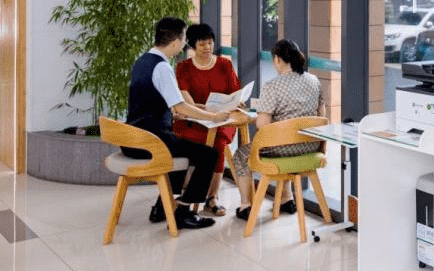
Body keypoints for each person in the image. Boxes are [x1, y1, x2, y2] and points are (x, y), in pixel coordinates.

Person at [123, 17, 232, 229]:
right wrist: (214, 117)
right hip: (150, 142)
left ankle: (162, 208)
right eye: (183, 40)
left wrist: (181, 111)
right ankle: (183, 213)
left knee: (179, 148)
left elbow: (155, 103)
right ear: (174, 42)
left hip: (133, 139)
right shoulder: (162, 67)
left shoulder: (143, 60)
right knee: (209, 155)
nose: (184, 44)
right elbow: (180, 106)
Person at [232, 39, 326, 221]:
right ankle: (286, 199)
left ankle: (245, 205)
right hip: (311, 147)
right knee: (287, 139)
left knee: (241, 154)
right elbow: (322, 114)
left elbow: (262, 125)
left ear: (277, 59)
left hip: (282, 150)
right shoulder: (314, 81)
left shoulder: (273, 86)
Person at [174, 23, 242, 216]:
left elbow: (235, 92)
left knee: (218, 144)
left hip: (221, 120)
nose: (207, 48)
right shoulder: (183, 67)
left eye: (210, 43)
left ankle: (212, 198)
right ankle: (190, 192)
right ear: (193, 45)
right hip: (193, 120)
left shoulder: (224, 65)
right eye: (202, 44)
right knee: (197, 144)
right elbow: (185, 97)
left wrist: (237, 102)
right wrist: (199, 110)